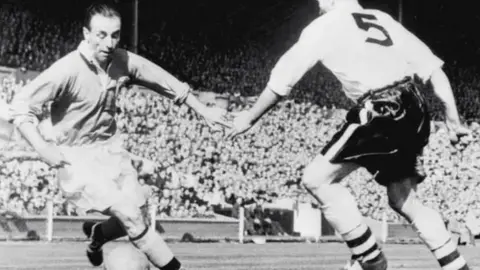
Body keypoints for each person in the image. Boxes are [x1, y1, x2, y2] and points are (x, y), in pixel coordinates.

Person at [227, 0, 471, 269]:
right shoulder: (381, 18)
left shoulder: (325, 25)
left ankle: (370, 259)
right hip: (416, 106)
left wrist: (249, 117)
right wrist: (452, 118)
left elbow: (284, 77)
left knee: (317, 179)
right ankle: (456, 265)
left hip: (382, 106)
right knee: (405, 199)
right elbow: (433, 69)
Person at [9, 2, 229, 270]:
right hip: (77, 156)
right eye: (101, 34)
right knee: (131, 217)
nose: (109, 42)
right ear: (86, 34)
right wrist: (41, 148)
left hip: (111, 151)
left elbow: (164, 81)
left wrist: (202, 109)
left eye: (115, 35)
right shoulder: (66, 69)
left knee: (137, 213)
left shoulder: (122, 61)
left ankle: (99, 234)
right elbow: (20, 106)